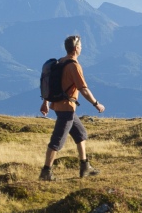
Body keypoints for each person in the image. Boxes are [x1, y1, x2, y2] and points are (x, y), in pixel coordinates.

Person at [39, 34, 104, 181]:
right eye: (80, 46)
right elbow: (83, 89)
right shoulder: (74, 66)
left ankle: (85, 167)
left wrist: (45, 102)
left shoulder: (60, 62)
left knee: (81, 134)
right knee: (57, 141)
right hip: (66, 109)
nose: (82, 48)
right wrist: (96, 103)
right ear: (76, 48)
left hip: (61, 106)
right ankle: (46, 172)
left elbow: (52, 85)